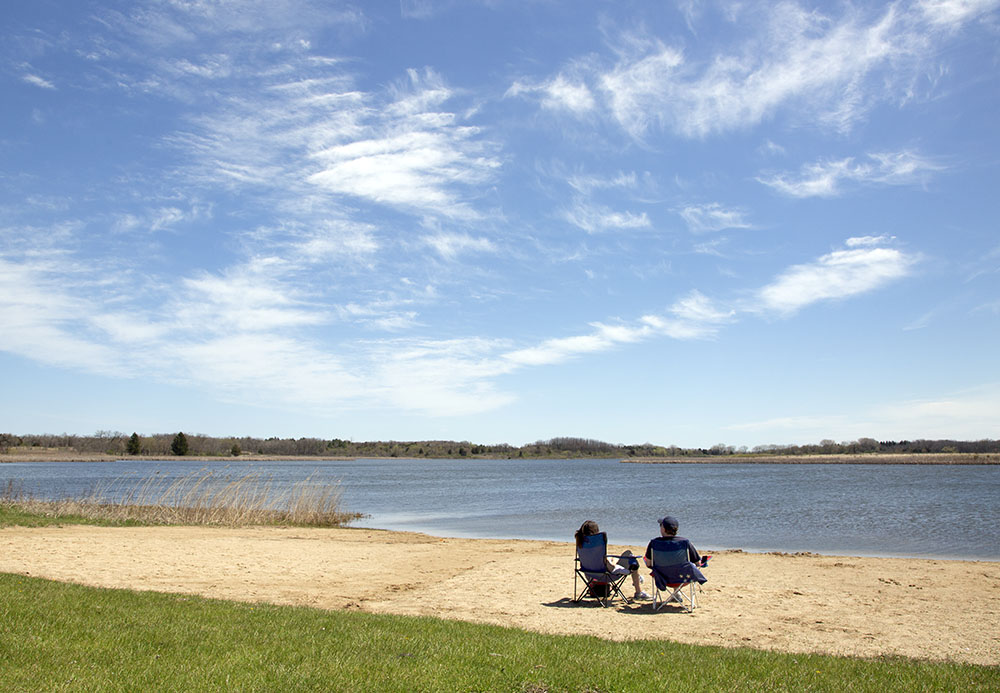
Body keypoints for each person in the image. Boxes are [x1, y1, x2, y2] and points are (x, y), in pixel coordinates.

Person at [575, 520, 650, 600]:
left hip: (589, 573)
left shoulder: (581, 542)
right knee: (631, 558)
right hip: (606, 575)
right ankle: (638, 592)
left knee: (611, 558)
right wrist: (612, 562)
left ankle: (638, 578)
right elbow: (611, 568)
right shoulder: (596, 544)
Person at [643, 515, 707, 598]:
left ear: (663, 529)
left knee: (669, 566)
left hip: (663, 578)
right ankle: (677, 593)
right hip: (683, 579)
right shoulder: (684, 542)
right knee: (679, 566)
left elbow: (649, 564)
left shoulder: (654, 543)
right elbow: (698, 563)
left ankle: (676, 594)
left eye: (661, 526)